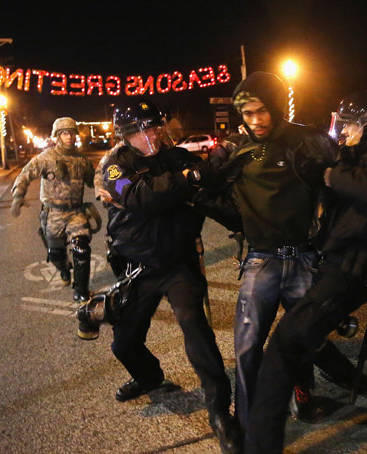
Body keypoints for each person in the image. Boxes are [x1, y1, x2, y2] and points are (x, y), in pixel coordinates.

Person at [243, 92, 367, 453]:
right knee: (303, 327)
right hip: (333, 263)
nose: (345, 130)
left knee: (284, 344)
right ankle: (346, 377)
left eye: (352, 124)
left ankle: (260, 444)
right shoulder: (357, 157)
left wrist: (330, 173)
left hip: (355, 270)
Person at [192, 72, 361, 434]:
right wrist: (243, 219)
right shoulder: (232, 148)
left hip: (304, 259)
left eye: (262, 111)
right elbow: (204, 190)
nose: (255, 121)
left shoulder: (310, 140)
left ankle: (302, 395)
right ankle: (248, 422)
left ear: (277, 106)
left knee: (304, 338)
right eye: (248, 114)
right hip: (261, 260)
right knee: (248, 349)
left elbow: (349, 176)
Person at [93, 99, 240, 454]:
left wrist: (248, 224)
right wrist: (186, 180)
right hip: (137, 268)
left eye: (157, 126)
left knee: (196, 329)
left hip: (178, 263)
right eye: (144, 129)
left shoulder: (176, 157)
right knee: (124, 342)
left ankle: (220, 411)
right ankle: (148, 377)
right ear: (127, 135)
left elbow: (209, 193)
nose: (154, 134)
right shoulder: (116, 166)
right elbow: (140, 197)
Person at [10, 117, 96, 303]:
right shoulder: (46, 158)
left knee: (82, 249)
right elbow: (26, 174)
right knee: (55, 253)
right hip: (53, 214)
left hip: (75, 213)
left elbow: (95, 180)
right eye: (65, 133)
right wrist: (18, 195)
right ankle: (64, 269)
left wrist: (117, 191)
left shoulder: (81, 160)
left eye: (72, 133)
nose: (69, 136)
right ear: (57, 136)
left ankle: (81, 291)